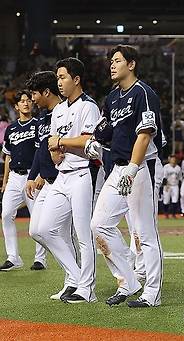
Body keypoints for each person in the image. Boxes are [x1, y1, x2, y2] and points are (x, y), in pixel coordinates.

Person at [85, 44, 164, 308]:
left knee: (144, 232)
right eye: (111, 60)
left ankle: (152, 293)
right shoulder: (112, 97)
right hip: (118, 168)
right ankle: (128, 280)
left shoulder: (144, 93)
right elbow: (102, 131)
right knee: (99, 225)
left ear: (131, 64)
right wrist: (93, 142)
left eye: (117, 60)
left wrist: (133, 166)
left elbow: (145, 133)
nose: (112, 64)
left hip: (141, 166)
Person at [33, 57, 100, 303]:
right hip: (62, 174)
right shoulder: (59, 110)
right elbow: (52, 144)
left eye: (63, 77)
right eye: (58, 77)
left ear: (76, 79)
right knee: (42, 229)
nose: (59, 82)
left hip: (83, 173)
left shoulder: (89, 106)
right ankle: (74, 277)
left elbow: (89, 141)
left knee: (84, 235)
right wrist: (56, 150)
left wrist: (60, 144)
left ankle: (87, 289)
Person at [0, 90, 46, 271]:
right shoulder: (11, 128)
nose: (26, 103)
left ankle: (40, 259)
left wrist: (40, 175)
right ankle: (13, 257)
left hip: (32, 176)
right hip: (14, 177)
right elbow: (7, 158)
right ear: (16, 106)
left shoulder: (37, 124)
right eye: (22, 101)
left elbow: (42, 153)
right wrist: (4, 181)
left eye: (28, 100)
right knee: (6, 214)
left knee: (37, 219)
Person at [25, 72, 63, 274]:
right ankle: (75, 274)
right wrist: (32, 176)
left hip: (64, 178)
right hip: (47, 181)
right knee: (36, 231)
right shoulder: (42, 119)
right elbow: (41, 151)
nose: (32, 99)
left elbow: (63, 150)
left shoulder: (65, 112)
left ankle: (76, 280)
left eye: (34, 94)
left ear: (46, 92)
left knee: (68, 234)